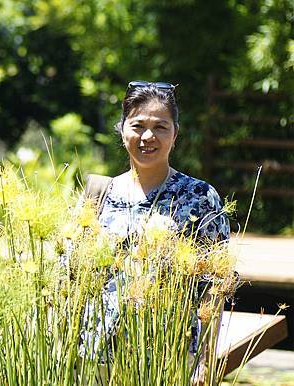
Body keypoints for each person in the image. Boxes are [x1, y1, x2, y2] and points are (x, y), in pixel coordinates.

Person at [75, 81, 231, 382]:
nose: (148, 136)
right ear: (122, 130)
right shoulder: (98, 194)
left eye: (161, 126)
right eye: (138, 125)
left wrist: (207, 360)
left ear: (175, 133)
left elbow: (215, 286)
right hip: (96, 357)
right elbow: (72, 275)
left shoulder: (199, 197)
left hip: (167, 355)